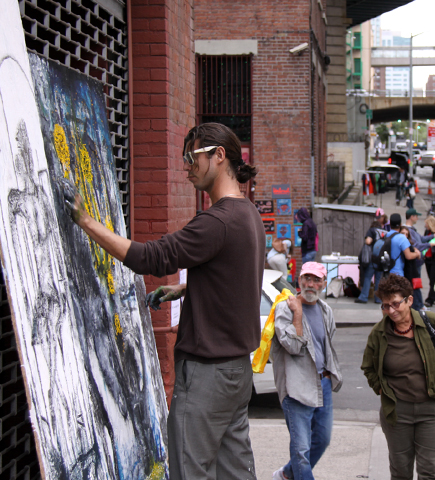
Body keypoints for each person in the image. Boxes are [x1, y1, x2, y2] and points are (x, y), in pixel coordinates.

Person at [60, 122, 264, 480]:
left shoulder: (216, 222)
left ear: (219, 156)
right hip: (236, 372)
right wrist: (185, 289)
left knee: (189, 473)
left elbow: (147, 257)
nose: (187, 167)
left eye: (192, 157)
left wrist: (85, 220)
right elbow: (235, 277)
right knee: (236, 473)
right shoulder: (249, 215)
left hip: (206, 376)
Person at [361, 274, 435, 480]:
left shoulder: (433, 323)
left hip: (431, 409)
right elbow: (368, 367)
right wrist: (380, 389)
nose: (391, 311)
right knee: (400, 471)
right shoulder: (379, 333)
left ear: (409, 300)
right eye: (385, 306)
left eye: (395, 304)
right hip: (397, 412)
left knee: (429, 471)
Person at [271, 262, 343, 480]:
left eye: (316, 280)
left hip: (323, 384)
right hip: (296, 385)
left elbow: (327, 344)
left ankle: (286, 474)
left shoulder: (325, 310)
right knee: (301, 449)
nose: (311, 284)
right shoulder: (285, 308)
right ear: (299, 280)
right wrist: (298, 315)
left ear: (324, 283)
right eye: (307, 279)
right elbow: (292, 347)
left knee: (322, 439)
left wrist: (330, 375)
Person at [405, 208, 435, 310]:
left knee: (416, 283)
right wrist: (429, 244)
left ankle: (418, 305)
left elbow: (421, 238)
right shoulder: (408, 230)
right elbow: (417, 244)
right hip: (415, 261)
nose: (417, 218)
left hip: (418, 261)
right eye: (416, 216)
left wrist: (432, 236)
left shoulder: (412, 230)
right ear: (412, 217)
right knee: (415, 284)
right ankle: (418, 306)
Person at [356, 220, 387, 304]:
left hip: (373, 258)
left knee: (367, 277)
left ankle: (364, 297)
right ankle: (378, 298)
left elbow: (368, 241)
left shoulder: (372, 230)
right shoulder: (385, 232)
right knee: (378, 279)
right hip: (382, 259)